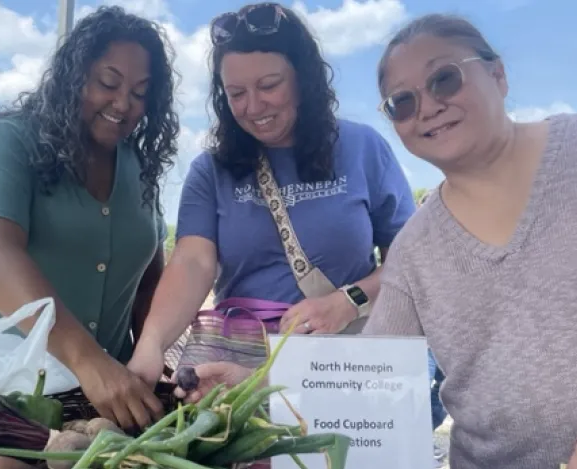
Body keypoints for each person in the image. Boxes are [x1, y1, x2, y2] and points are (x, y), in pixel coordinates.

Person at [176, 13, 577, 469]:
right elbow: (367, 380)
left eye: (445, 79)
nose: (427, 107)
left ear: (497, 73)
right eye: (401, 103)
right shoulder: (417, 246)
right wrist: (250, 384)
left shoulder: (576, 150)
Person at [129, 2, 414, 385]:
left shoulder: (363, 148)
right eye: (236, 93)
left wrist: (348, 301)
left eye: (268, 86)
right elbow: (192, 263)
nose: (253, 107)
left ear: (303, 79)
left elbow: (411, 258)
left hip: (341, 361)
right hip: (233, 363)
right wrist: (151, 343)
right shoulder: (210, 170)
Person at [0, 5, 180, 432]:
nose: (124, 104)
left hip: (100, 406)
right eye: (108, 82)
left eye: (141, 92)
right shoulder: (11, 141)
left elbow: (148, 279)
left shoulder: (140, 169)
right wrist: (88, 361)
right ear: (75, 76)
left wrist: (154, 360)